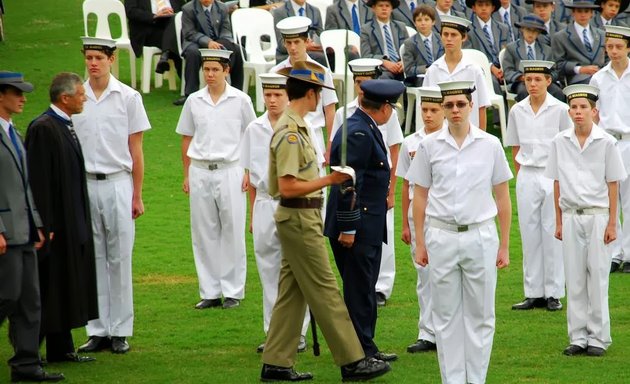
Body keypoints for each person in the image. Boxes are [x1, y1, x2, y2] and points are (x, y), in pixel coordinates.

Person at [260, 60, 391, 382]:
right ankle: (353, 360)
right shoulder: (291, 132)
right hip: (299, 217)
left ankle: (276, 362)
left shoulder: (298, 126)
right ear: (310, 93)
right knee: (326, 289)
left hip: (301, 217)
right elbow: (287, 185)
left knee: (292, 292)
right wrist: (330, 181)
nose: (320, 99)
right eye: (318, 93)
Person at [406, 80, 512, 383]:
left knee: (481, 315)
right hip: (441, 235)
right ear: (442, 108)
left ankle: (475, 379)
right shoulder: (428, 146)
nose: (454, 110)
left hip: (480, 235)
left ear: (470, 105)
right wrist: (421, 243)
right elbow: (420, 196)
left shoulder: (490, 145)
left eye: (460, 105)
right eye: (449, 105)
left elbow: (502, 197)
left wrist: (504, 245)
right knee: (446, 315)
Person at [73, 37, 151, 355]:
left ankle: (120, 329)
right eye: (89, 57)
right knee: (93, 258)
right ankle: (97, 329)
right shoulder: (76, 96)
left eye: (99, 57)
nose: (93, 63)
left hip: (119, 182)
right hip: (86, 183)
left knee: (119, 257)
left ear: (112, 58)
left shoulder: (128, 97)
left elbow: (137, 149)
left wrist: (137, 194)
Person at [324, 79, 404, 363]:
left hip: (366, 225)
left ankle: (366, 347)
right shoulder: (358, 132)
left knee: (365, 289)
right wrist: (348, 227)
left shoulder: (364, 126)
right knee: (359, 293)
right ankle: (360, 354)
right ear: (384, 108)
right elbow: (347, 183)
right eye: (392, 108)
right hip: (356, 228)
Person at [545, 84, 627, 357]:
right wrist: (558, 221)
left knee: (597, 276)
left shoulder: (606, 142)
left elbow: (613, 183)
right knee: (575, 278)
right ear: (569, 111)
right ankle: (577, 336)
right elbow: (557, 182)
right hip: (570, 215)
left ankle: (599, 337)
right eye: (574, 107)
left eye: (583, 108)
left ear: (594, 111)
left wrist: (612, 223)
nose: (578, 112)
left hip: (597, 215)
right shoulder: (559, 142)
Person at [24, 72, 99, 363]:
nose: (84, 99)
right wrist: (46, 225)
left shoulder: (64, 125)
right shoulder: (44, 128)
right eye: (81, 95)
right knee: (51, 286)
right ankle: (29, 352)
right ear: (65, 98)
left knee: (65, 284)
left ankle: (61, 347)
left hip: (72, 220)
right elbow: (40, 181)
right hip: (56, 226)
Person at [176, 49, 256, 310]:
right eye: (206, 69)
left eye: (215, 70)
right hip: (200, 170)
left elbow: (251, 136)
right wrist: (186, 173)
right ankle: (209, 290)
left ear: (226, 71)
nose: (209, 74)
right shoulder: (193, 101)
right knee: (204, 231)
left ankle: (233, 290)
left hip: (230, 169)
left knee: (232, 229)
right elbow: (186, 136)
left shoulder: (241, 100)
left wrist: (248, 171)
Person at [0, 71, 64, 382]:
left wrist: (37, 223)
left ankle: (26, 365)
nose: (23, 98)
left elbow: (24, 186)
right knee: (7, 295)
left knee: (29, 300)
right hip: (6, 233)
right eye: (17, 92)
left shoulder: (14, 132)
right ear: (1, 96)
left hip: (23, 231)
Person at [239, 73, 309, 352]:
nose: (271, 100)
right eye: (267, 95)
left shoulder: (302, 126)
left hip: (293, 203)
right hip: (265, 203)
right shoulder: (253, 129)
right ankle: (273, 331)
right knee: (268, 268)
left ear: (287, 96)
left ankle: (298, 332)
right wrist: (252, 216)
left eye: (277, 95)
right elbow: (251, 178)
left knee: (296, 269)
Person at [505, 60, 572, 311]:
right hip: (528, 174)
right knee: (529, 231)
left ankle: (553, 291)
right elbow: (514, 145)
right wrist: (521, 172)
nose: (532, 84)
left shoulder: (560, 109)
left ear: (548, 81)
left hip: (552, 175)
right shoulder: (517, 110)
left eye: (537, 79)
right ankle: (533, 291)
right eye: (528, 79)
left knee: (552, 231)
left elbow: (567, 146)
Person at [395, 86, 445, 354]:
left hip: (444, 213)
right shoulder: (411, 142)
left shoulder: (451, 140)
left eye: (434, 110)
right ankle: (427, 332)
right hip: (419, 215)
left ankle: (447, 331)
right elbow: (406, 185)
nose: (428, 115)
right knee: (424, 276)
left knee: (446, 275)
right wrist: (404, 224)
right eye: (424, 110)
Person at [589, 25, 630, 273]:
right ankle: (614, 252)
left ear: (628, 47)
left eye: (619, 47)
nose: (613, 51)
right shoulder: (598, 77)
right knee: (609, 198)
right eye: (610, 47)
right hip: (608, 141)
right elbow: (594, 112)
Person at [270, 16, 336, 169]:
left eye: (297, 42)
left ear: (307, 42)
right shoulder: (276, 72)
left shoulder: (322, 72)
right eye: (288, 43)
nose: (293, 48)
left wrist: (330, 146)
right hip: (285, 137)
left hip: (314, 137)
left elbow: (330, 110)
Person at [423, 15, 491, 129]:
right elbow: (425, 106)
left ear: (463, 37)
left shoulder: (474, 70)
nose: (449, 39)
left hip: (469, 134)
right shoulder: (433, 70)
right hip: (440, 136)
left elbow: (481, 107)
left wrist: (482, 137)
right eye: (445, 34)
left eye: (453, 35)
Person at [176, 0, 244, 105]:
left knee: (237, 49)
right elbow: (189, 32)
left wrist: (220, 43)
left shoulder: (222, 8)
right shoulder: (188, 9)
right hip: (196, 42)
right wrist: (208, 42)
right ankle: (189, 94)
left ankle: (237, 91)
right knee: (192, 53)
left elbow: (226, 30)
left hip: (218, 41)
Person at [502, 14, 565, 101]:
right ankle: (527, 114)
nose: (531, 33)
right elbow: (507, 70)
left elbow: (555, 71)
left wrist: (546, 78)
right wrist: (521, 77)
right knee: (523, 92)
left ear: (539, 33)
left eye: (535, 31)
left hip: (543, 82)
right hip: (522, 82)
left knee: (557, 92)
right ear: (522, 29)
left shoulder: (547, 50)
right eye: (528, 29)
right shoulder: (511, 48)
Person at [552, 0, 606, 85]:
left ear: (591, 14)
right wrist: (579, 69)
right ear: (573, 13)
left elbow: (608, 57)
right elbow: (558, 64)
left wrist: (603, 71)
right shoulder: (560, 36)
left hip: (602, 76)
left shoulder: (601, 34)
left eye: (586, 11)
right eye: (579, 11)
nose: (583, 15)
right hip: (578, 78)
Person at [124, 0, 184, 76]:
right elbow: (131, 11)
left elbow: (183, 9)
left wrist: (171, 13)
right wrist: (155, 16)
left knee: (179, 38)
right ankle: (187, 81)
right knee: (177, 40)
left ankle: (165, 56)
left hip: (171, 25)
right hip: (147, 29)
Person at [467, 0, 510, 95]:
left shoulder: (503, 28)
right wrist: (490, 67)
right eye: (480, 5)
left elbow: (509, 52)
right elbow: (470, 56)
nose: (484, 8)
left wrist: (504, 69)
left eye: (487, 5)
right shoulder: (468, 30)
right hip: (483, 70)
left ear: (493, 8)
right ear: (473, 8)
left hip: (504, 69)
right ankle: (502, 109)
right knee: (493, 83)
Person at [361, 0, 410, 80]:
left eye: (387, 6)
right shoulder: (366, 29)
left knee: (415, 76)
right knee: (384, 79)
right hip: (382, 69)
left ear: (391, 9)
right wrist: (384, 62)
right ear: (374, 8)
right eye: (381, 6)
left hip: (401, 67)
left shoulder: (401, 27)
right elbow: (365, 55)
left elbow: (409, 51)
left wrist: (403, 63)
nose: (384, 8)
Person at [272, 0, 327, 66]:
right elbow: (281, 45)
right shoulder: (280, 12)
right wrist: (305, 45)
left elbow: (321, 35)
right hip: (288, 54)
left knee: (330, 55)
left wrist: (321, 45)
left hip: (313, 50)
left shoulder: (315, 11)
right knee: (321, 58)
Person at [402, 5, 445, 80]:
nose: (423, 23)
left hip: (442, 76)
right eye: (419, 20)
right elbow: (408, 69)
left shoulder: (442, 39)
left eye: (426, 19)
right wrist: (425, 70)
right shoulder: (409, 43)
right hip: (422, 80)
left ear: (433, 22)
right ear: (414, 23)